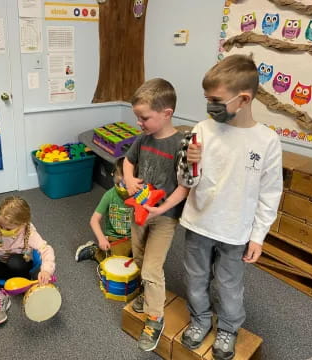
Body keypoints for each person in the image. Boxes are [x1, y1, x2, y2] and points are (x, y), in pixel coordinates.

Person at [179, 54, 283, 360]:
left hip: (235, 230)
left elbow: (270, 193)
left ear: (244, 99)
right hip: (199, 222)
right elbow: (186, 180)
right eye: (207, 98)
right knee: (195, 279)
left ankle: (227, 328)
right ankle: (200, 319)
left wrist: (258, 236)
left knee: (229, 285)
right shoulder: (202, 128)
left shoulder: (267, 141)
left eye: (216, 99)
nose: (209, 105)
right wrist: (189, 163)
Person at [123, 78, 191, 352]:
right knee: (138, 257)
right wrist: (129, 179)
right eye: (137, 117)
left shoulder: (180, 144)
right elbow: (128, 161)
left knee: (152, 268)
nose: (140, 123)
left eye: (144, 118)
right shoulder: (142, 139)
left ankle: (155, 317)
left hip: (164, 217)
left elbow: (186, 185)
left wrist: (162, 208)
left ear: (166, 114)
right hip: (140, 212)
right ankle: (147, 296)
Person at [0, 196, 56, 327]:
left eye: (7, 228)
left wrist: (47, 270)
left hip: (20, 266)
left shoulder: (30, 233)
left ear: (23, 224)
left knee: (15, 262)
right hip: (1, 264)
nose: (2, 229)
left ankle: (28, 282)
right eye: (0, 225)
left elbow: (46, 249)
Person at [75, 157, 132, 263]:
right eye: (122, 182)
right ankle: (95, 251)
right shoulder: (109, 195)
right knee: (116, 262)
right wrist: (101, 238)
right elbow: (94, 220)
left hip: (134, 236)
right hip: (116, 237)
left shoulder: (139, 194)